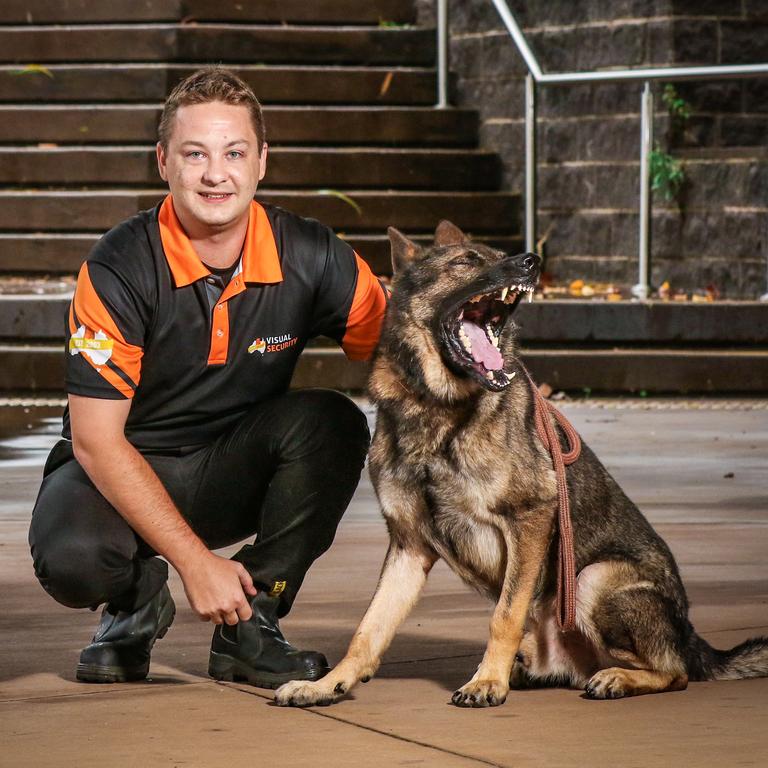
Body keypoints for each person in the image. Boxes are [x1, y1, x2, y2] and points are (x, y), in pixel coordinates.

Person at [28, 67, 387, 688]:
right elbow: (95, 440)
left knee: (332, 423)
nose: (216, 173)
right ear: (163, 161)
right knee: (73, 559)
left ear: (262, 161)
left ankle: (252, 623)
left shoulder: (313, 254)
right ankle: (137, 599)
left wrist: (507, 395)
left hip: (232, 467)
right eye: (195, 154)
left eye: (234, 153)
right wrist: (192, 562)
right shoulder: (117, 267)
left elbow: (406, 346)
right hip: (122, 470)